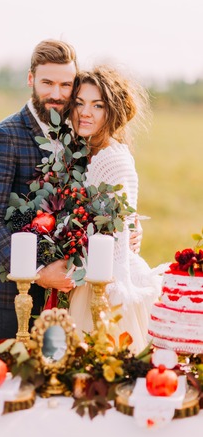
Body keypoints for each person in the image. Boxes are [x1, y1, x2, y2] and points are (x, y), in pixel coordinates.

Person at [0, 39, 142, 340]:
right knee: (13, 376)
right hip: (11, 292)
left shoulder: (80, 133)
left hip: (70, 292)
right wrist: (39, 270)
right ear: (31, 78)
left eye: (66, 84)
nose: (56, 94)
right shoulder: (2, 137)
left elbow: (95, 196)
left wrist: (125, 227)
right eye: (47, 82)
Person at [68, 65, 167, 353]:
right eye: (79, 103)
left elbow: (118, 236)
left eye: (97, 105)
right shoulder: (84, 150)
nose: (85, 112)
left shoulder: (112, 159)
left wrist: (112, 294)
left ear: (111, 112)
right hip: (87, 272)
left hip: (105, 280)